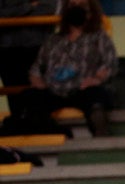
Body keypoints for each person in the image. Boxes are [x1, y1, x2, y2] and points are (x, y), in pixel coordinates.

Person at [13, 0, 115, 137]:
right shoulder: (53, 40)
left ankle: (100, 132)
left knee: (98, 97)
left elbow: (109, 64)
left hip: (83, 89)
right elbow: (36, 68)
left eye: (82, 6)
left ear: (91, 12)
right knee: (28, 98)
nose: (76, 9)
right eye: (72, 6)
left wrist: (96, 79)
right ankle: (56, 133)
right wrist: (38, 82)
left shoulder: (99, 38)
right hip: (53, 90)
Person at [0, 0, 58, 122]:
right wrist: (29, 7)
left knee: (39, 90)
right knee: (14, 91)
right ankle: (18, 122)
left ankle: (41, 123)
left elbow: (48, 9)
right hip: (8, 49)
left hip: (39, 48)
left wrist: (15, 11)